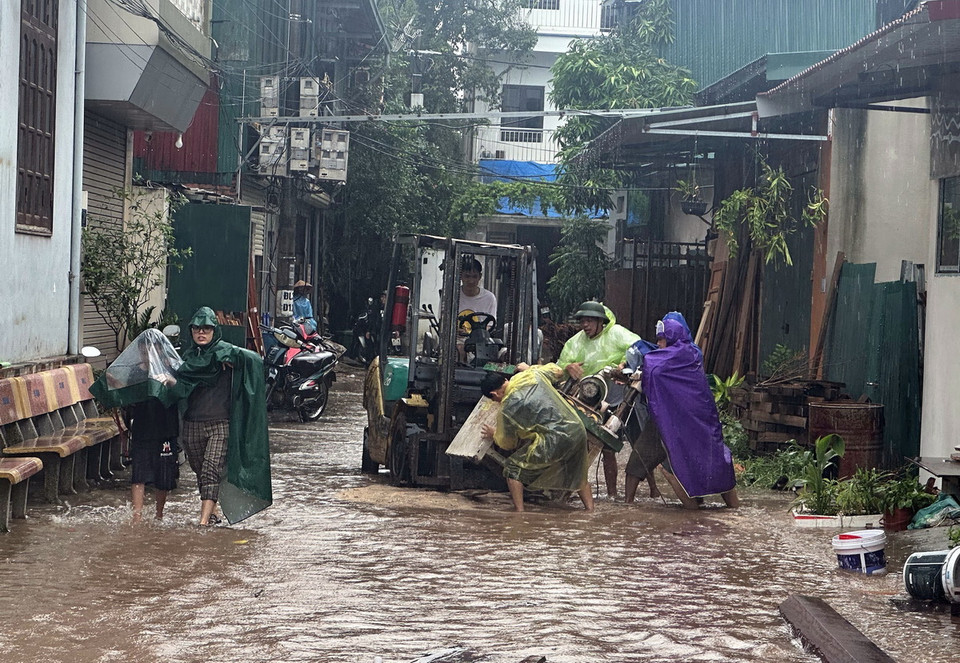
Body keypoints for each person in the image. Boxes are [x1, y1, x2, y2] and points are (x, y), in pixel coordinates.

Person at [168, 307, 273, 526]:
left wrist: (232, 361)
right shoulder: (187, 358)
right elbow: (179, 387)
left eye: (206, 328)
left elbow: (254, 360)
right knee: (201, 471)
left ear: (214, 331)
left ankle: (203, 521)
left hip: (220, 423)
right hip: (192, 424)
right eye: (197, 328)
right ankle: (213, 511)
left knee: (210, 469)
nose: (201, 333)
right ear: (191, 331)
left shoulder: (227, 353)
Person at [642, 317, 739, 509]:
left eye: (661, 339)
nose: (658, 344)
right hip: (704, 419)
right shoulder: (693, 354)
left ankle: (692, 512)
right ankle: (734, 509)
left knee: (671, 467)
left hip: (685, 423)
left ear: (670, 338)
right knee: (717, 460)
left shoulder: (667, 360)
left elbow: (651, 367)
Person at [91, 329, 183, 523]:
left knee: (163, 476)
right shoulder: (135, 372)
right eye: (143, 350)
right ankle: (137, 516)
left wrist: (171, 382)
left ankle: (159, 514)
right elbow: (125, 396)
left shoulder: (173, 369)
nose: (147, 353)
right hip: (142, 428)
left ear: (161, 349)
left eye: (152, 349)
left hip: (166, 430)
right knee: (138, 474)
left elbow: (183, 393)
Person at [557, 301, 646, 499]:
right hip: (594, 396)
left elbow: (638, 348)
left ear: (601, 322)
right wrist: (568, 367)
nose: (585, 325)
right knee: (604, 446)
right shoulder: (575, 342)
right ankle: (611, 495)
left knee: (639, 442)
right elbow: (560, 367)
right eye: (582, 321)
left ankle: (654, 489)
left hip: (624, 393)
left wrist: (624, 363)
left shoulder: (617, 333)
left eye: (590, 321)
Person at [480, 364, 594, 512]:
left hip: (555, 438)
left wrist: (494, 434)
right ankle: (590, 511)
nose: (496, 402)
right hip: (576, 428)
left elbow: (508, 443)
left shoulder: (508, 407)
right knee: (577, 473)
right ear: (505, 380)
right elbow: (557, 371)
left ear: (495, 394)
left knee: (512, 470)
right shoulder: (530, 375)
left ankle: (519, 514)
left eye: (494, 400)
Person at [457, 256, 497, 321]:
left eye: (474, 277)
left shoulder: (489, 298)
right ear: (461, 276)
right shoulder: (452, 296)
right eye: (467, 276)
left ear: (480, 277)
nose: (471, 281)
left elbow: (490, 324)